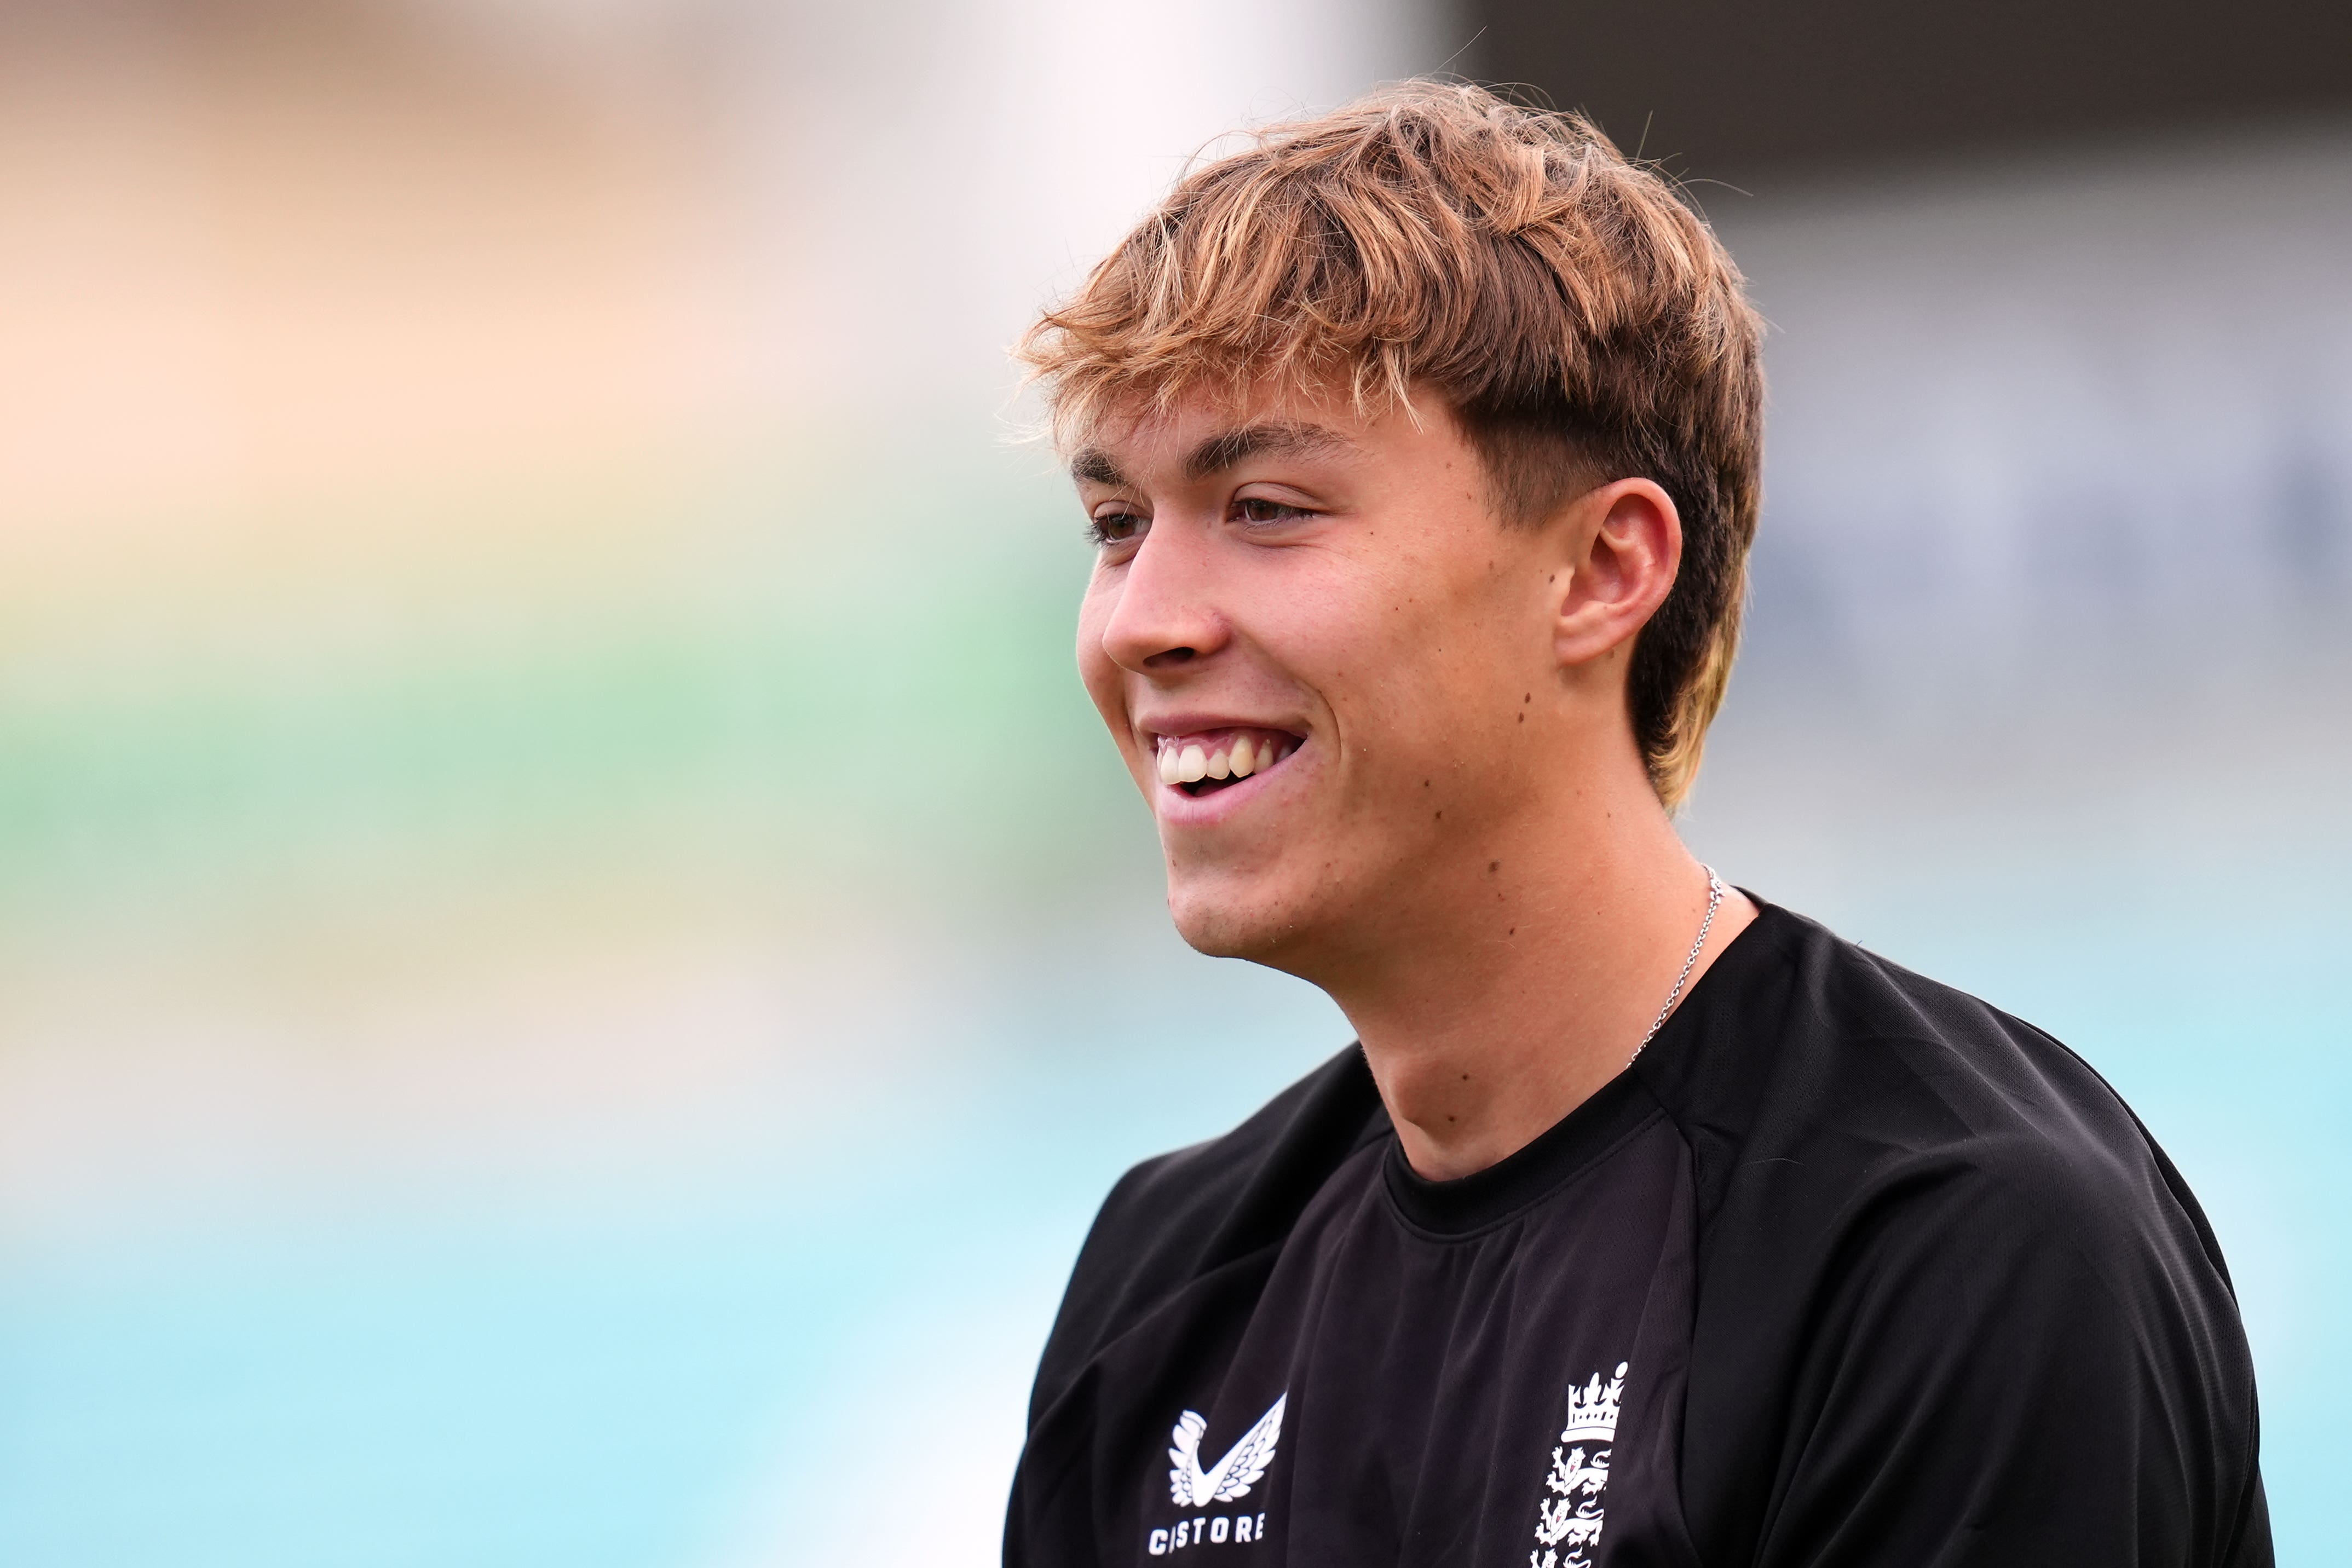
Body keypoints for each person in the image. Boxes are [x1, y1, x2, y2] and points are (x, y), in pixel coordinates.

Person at [1001, 81, 2269, 1567]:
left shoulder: (1950, 1235)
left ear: (1604, 570)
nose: (1142, 621)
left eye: (1268, 507)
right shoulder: (1167, 1286)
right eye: (1116, 528)